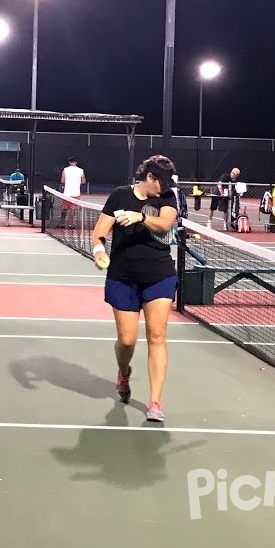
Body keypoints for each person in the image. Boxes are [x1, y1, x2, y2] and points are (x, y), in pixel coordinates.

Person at [90, 155, 179, 422]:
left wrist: (139, 217)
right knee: (127, 340)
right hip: (123, 276)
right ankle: (123, 372)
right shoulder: (119, 196)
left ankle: (155, 402)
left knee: (157, 336)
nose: (165, 187)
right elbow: (99, 233)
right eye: (161, 182)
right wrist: (98, 252)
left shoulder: (167, 197)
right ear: (149, 178)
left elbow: (164, 224)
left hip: (159, 275)